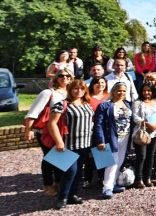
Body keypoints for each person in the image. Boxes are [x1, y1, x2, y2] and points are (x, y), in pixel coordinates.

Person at [45, 79, 92, 209]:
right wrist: (59, 141)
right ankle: (63, 197)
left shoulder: (87, 104)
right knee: (71, 170)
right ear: (70, 90)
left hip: (85, 143)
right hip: (68, 143)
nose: (79, 91)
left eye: (82, 88)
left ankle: (72, 195)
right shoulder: (62, 104)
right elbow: (52, 123)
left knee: (78, 172)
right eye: (76, 88)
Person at [23, 69, 70, 196]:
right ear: (55, 78)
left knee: (61, 157)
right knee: (50, 158)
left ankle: (59, 182)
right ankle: (48, 185)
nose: (64, 77)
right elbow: (33, 112)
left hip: (65, 131)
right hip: (46, 131)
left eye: (67, 75)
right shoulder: (48, 93)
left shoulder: (71, 92)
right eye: (61, 75)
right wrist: (29, 130)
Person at [93, 82, 132, 198]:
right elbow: (98, 124)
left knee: (120, 161)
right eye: (119, 90)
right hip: (112, 137)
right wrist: (100, 140)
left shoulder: (128, 104)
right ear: (113, 92)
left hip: (125, 137)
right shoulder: (105, 106)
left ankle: (113, 183)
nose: (121, 93)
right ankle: (107, 188)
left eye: (124, 91)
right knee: (111, 163)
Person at [132, 84, 156, 189]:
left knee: (151, 156)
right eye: (144, 90)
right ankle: (139, 179)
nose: (147, 93)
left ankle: (148, 177)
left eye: (149, 91)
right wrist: (146, 123)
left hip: (155, 132)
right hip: (142, 133)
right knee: (141, 156)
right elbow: (135, 117)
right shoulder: (137, 103)